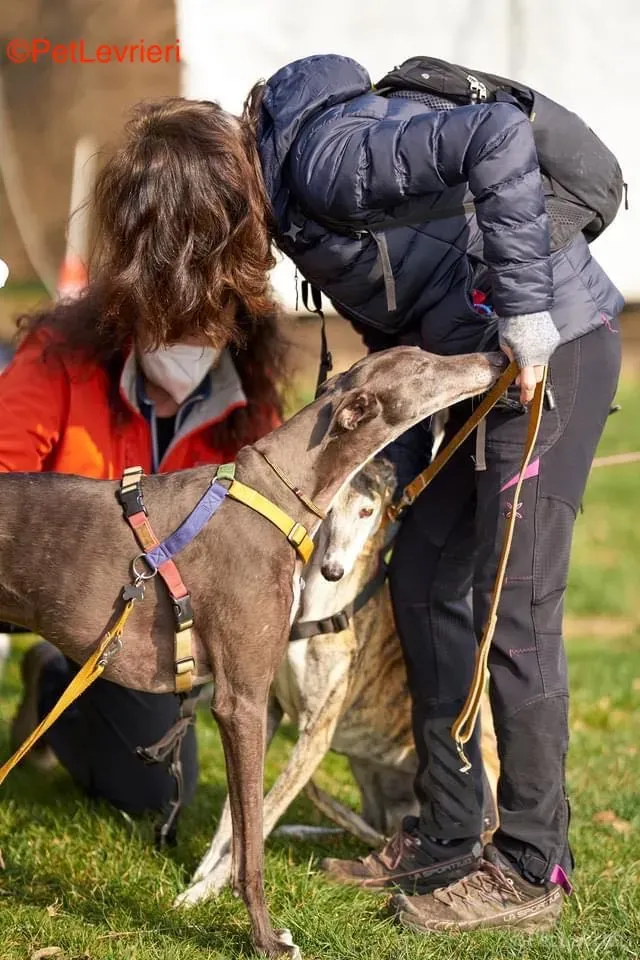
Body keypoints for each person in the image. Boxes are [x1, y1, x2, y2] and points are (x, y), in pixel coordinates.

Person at [239, 55, 622, 931]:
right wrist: (387, 466)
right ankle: (449, 831)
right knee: (422, 575)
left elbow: (498, 135)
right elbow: (405, 331)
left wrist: (523, 311)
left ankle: (529, 869)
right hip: (475, 369)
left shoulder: (325, 160)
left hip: (548, 350)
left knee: (514, 603)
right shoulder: (304, 201)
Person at [1, 99, 285, 830]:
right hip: (44, 589)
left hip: (152, 627)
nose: (188, 342)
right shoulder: (57, 359)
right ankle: (47, 659)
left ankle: (53, 685)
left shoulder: (253, 400)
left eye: (210, 321)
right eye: (172, 318)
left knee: (155, 798)